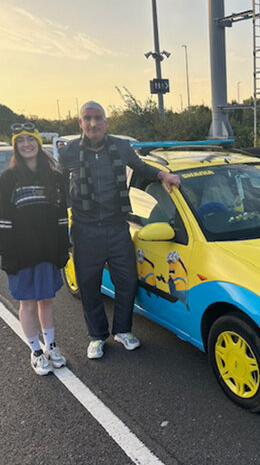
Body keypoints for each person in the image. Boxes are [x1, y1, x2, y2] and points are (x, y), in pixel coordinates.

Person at [59, 101, 180, 359]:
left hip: (116, 227)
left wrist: (163, 175)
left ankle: (123, 331)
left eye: (98, 118)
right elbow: (58, 186)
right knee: (89, 286)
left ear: (106, 121)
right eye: (87, 118)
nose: (93, 123)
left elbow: (141, 168)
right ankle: (97, 337)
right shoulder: (69, 152)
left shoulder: (121, 147)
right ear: (80, 123)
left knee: (127, 282)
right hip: (85, 229)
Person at [0, 122, 70, 375]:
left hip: (47, 251)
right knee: (28, 303)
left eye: (31, 140)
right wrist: (7, 255)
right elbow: (3, 221)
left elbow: (62, 217)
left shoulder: (54, 177)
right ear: (16, 147)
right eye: (21, 141)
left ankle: (51, 346)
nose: (26, 144)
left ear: (39, 144)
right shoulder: (8, 179)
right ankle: (36, 351)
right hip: (21, 253)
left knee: (47, 300)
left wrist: (64, 248)